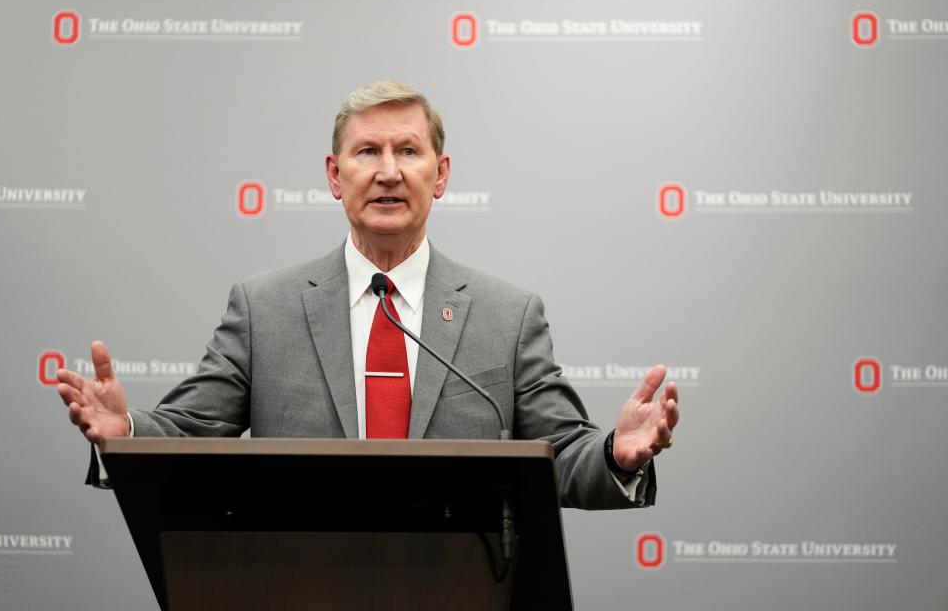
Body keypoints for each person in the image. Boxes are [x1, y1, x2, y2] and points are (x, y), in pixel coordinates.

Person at [54, 80, 679, 509]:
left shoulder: (507, 316)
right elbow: (191, 433)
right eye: (367, 152)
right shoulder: (264, 308)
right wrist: (125, 432)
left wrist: (618, 455)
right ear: (334, 175)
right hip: (297, 583)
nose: (388, 171)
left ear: (441, 175)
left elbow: (563, 452)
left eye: (409, 150)